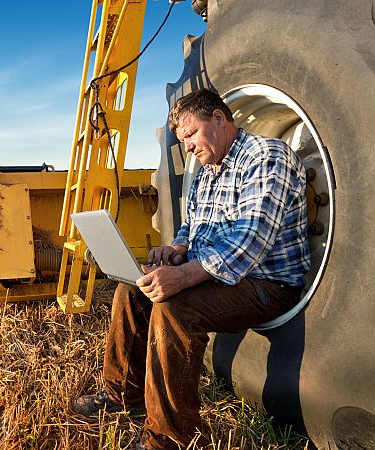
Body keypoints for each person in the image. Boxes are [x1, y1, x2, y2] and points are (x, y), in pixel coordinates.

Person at [72, 89, 311, 450]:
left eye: (190, 134)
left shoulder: (266, 156)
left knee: (173, 308)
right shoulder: (207, 171)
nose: (187, 147)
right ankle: (122, 394)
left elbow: (250, 240)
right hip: (224, 277)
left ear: (218, 118)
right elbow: (193, 225)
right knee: (132, 290)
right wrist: (177, 249)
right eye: (182, 140)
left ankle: (169, 438)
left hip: (267, 283)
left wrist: (183, 276)